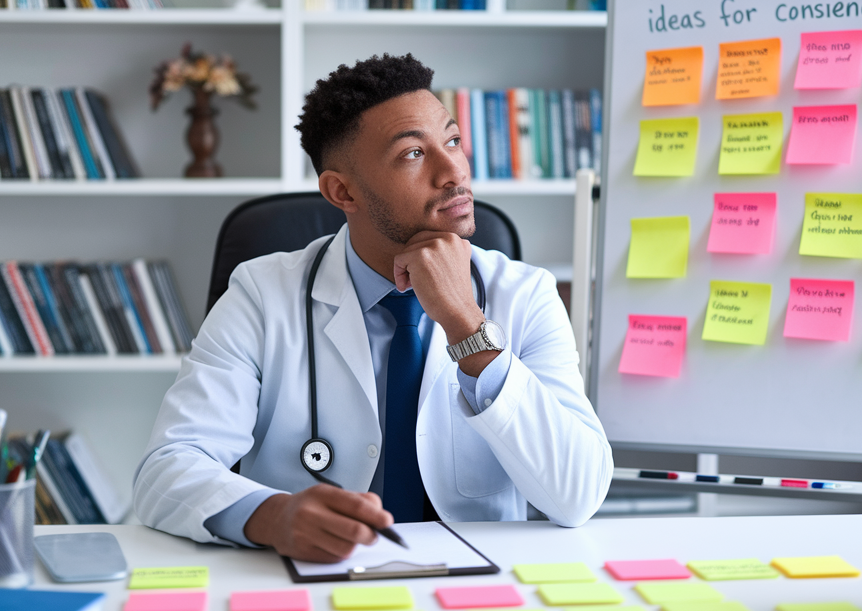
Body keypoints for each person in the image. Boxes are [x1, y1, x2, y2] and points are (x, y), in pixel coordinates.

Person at [134, 54, 612, 562]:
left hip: (478, 583)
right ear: (342, 191)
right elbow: (166, 469)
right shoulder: (261, 293)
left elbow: (577, 493)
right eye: (412, 154)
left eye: (452, 141)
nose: (454, 172)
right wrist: (273, 516)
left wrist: (465, 326)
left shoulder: (526, 294)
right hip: (314, 579)